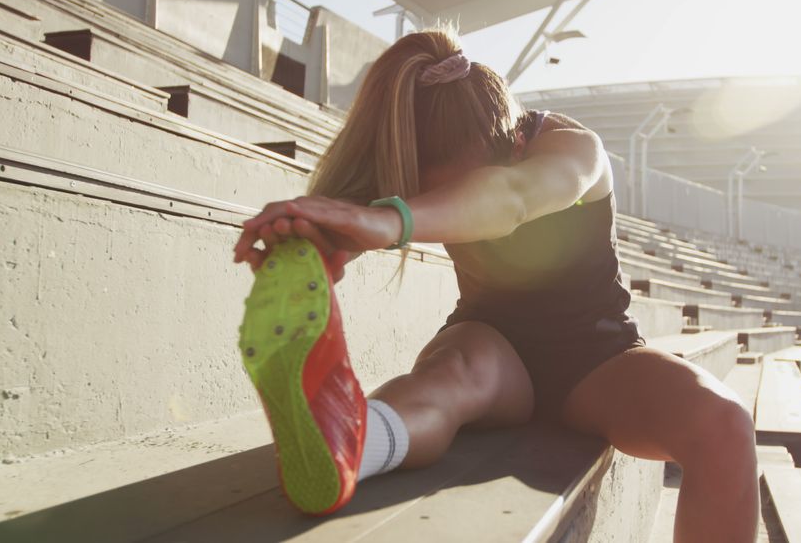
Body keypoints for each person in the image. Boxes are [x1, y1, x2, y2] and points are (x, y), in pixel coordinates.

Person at [233, 27, 758, 542]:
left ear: (515, 140)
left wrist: (392, 221)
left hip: (599, 357)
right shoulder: (424, 157)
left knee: (726, 427)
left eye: (459, 189)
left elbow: (509, 199)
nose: (446, 208)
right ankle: (349, 441)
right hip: (490, 344)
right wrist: (305, 247)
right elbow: (338, 224)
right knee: (445, 381)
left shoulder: (576, 150)